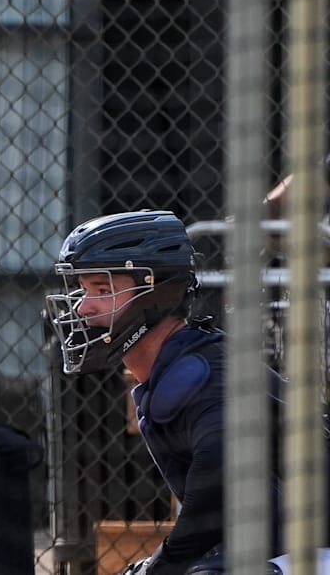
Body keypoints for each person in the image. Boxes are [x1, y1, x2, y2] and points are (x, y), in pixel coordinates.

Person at [45, 209, 280, 575]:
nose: (82, 306)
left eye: (102, 290)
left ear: (157, 294)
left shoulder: (201, 374)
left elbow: (219, 476)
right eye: (82, 289)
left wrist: (164, 565)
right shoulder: (175, 367)